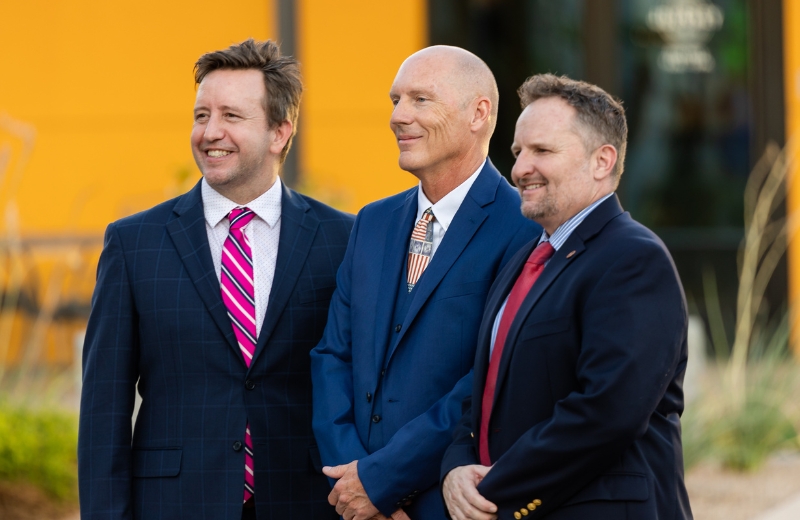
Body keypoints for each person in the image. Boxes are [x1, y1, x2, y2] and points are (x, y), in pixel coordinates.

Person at [78, 39, 354, 520]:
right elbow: (104, 409)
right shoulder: (133, 243)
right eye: (201, 115)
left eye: (231, 115)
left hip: (307, 501)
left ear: (279, 132)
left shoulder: (343, 239)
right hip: (175, 504)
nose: (210, 132)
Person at [441, 73, 693, 520]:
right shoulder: (525, 259)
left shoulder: (633, 259)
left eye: (542, 151)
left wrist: (493, 487)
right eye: (518, 152)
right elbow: (481, 392)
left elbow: (606, 413)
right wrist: (457, 468)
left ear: (602, 161)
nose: (519, 168)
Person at [310, 46, 541, 520]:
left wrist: (382, 482)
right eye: (395, 100)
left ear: (479, 113)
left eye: (420, 99)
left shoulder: (523, 227)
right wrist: (355, 480)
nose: (398, 116)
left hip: (446, 502)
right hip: (349, 501)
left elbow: (491, 376)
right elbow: (333, 354)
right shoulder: (372, 222)